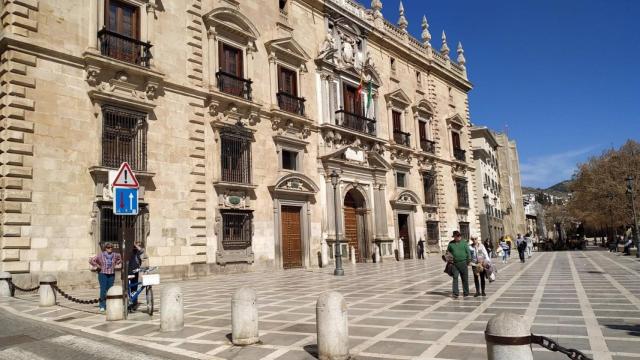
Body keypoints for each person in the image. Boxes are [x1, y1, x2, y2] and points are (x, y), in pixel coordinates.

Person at [89, 242, 122, 313]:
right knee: (103, 290)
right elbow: (91, 260)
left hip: (111, 274)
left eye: (111, 247)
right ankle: (102, 305)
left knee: (110, 290)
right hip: (102, 274)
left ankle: (109, 304)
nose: (110, 249)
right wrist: (97, 266)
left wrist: (117, 263)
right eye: (108, 247)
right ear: (105, 248)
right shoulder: (100, 255)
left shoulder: (115, 255)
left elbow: (122, 258)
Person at [446, 230, 471, 299]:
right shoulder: (451, 244)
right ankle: (455, 293)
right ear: (454, 237)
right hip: (454, 264)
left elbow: (468, 252)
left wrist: (469, 260)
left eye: (459, 236)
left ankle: (466, 292)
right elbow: (448, 252)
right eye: (457, 236)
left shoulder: (464, 243)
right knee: (455, 278)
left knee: (465, 278)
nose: (459, 237)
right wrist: (448, 257)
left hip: (463, 263)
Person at [128, 240, 145, 310]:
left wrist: (137, 246)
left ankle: (134, 302)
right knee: (129, 288)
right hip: (129, 271)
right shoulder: (130, 251)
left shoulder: (138, 252)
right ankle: (130, 302)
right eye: (137, 245)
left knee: (135, 287)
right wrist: (134, 245)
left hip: (135, 272)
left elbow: (142, 251)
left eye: (139, 245)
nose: (138, 246)